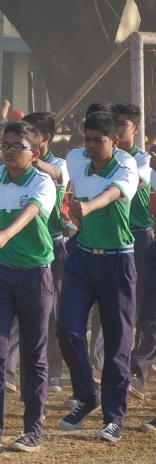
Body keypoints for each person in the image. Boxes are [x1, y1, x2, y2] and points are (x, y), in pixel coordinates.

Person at [0, 121, 56, 454]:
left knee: (34, 356)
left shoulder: (43, 182)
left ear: (35, 153)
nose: (10, 151)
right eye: (6, 145)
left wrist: (5, 233)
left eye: (18, 146)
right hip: (0, 274)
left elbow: (31, 212)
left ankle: (33, 430)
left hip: (35, 275)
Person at [57, 111, 138, 443]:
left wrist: (88, 207)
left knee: (118, 343)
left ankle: (113, 418)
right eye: (87, 139)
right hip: (82, 257)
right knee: (67, 329)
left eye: (98, 141)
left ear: (115, 142)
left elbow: (114, 193)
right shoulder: (75, 159)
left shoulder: (126, 165)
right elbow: (58, 171)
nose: (90, 146)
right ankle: (87, 395)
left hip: (118, 261)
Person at [22, 111, 70, 393]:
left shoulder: (58, 163)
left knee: (52, 312)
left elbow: (58, 175)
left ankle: (54, 370)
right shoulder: (17, 164)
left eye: (31, 134)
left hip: (52, 244)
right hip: (20, 246)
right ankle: (15, 372)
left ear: (46, 138)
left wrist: (33, 160)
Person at [111, 104, 156, 400]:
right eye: (114, 122)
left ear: (135, 129)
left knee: (144, 308)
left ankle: (137, 369)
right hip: (114, 236)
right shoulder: (106, 158)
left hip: (139, 237)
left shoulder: (143, 161)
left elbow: (135, 182)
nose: (117, 128)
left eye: (123, 123)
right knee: (124, 307)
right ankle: (124, 370)